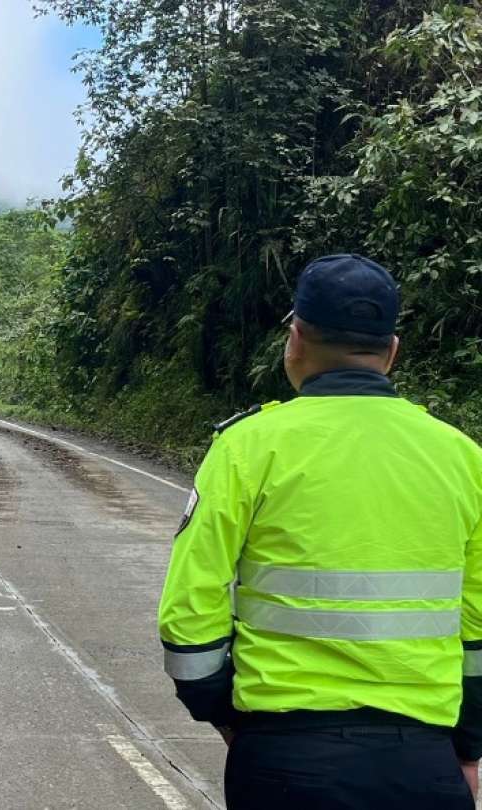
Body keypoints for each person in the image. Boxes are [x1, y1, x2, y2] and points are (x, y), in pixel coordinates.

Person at [157, 254, 482, 809]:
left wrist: (224, 716)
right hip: (422, 760)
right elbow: (476, 622)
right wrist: (469, 748)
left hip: (285, 757)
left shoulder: (247, 446)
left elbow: (189, 607)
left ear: (296, 337)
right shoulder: (461, 456)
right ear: (393, 349)